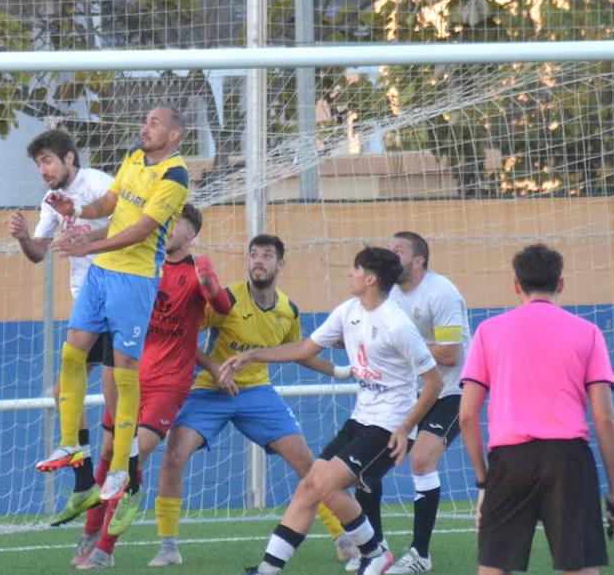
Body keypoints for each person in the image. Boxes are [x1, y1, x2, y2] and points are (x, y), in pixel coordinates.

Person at [221, 246, 442, 575]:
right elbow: (305, 349)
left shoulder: (397, 325)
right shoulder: (349, 310)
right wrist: (252, 355)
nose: (349, 274)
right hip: (361, 419)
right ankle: (267, 570)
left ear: (370, 278)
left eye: (355, 269)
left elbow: (434, 382)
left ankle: (375, 552)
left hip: (390, 426)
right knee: (310, 485)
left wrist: (404, 427)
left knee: (326, 486)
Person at [149, 234, 355, 569]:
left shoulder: (288, 310)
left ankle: (343, 538)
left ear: (280, 264)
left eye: (267, 255)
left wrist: (342, 371)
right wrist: (215, 369)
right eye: (253, 254)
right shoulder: (226, 299)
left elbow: (299, 353)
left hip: (257, 393)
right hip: (210, 390)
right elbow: (184, 336)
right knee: (174, 454)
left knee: (307, 462)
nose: (258, 260)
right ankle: (168, 545)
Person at [35, 105, 189, 508]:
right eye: (145, 119)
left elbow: (140, 230)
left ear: (174, 135)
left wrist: (89, 244)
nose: (145, 126)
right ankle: (70, 445)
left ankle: (122, 465)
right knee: (71, 353)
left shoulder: (175, 175)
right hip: (101, 275)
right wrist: (78, 212)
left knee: (122, 375)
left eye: (154, 122)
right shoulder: (134, 158)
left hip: (135, 281)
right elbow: (111, 204)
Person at [73, 204, 230, 570]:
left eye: (174, 224)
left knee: (132, 456)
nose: (166, 229)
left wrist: (210, 281)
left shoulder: (195, 270)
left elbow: (221, 308)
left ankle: (105, 550)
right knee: (111, 450)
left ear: (190, 233)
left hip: (168, 385)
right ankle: (91, 531)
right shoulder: (143, 267)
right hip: (130, 377)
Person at [459, 244, 614, 575]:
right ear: (560, 284)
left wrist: (483, 482)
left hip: (509, 461)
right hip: (568, 460)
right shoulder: (588, 332)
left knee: (494, 568)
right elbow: (604, 419)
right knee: (580, 567)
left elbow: (466, 416)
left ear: (515, 285)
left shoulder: (488, 332)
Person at [7, 129, 117, 527]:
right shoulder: (49, 203)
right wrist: (23, 238)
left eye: (48, 161)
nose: (43, 170)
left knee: (113, 400)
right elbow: (39, 253)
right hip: (87, 305)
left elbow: (129, 230)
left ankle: (125, 485)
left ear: (70, 159)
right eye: (38, 164)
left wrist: (87, 240)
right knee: (63, 391)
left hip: (118, 300)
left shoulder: (100, 185)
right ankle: (85, 480)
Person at [381, 232, 471, 575]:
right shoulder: (387, 295)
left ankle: (420, 554)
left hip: (451, 390)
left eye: (398, 250)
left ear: (418, 261)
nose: (391, 255)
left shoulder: (441, 292)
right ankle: (371, 548)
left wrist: (402, 344)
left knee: (420, 459)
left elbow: (450, 355)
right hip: (411, 392)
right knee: (370, 459)